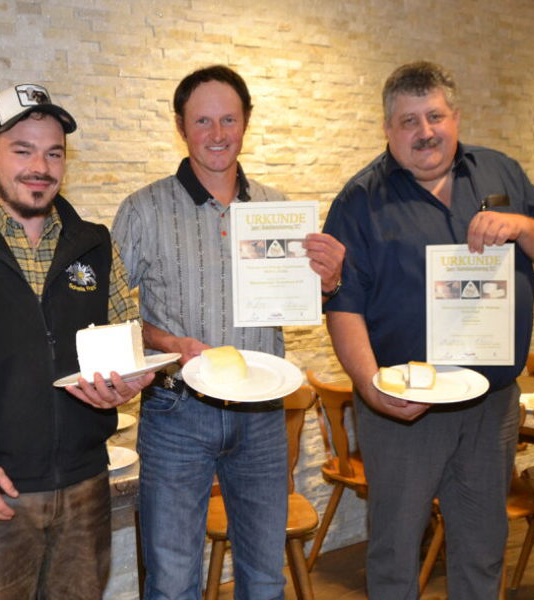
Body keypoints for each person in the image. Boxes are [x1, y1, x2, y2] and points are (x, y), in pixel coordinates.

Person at [322, 61, 534, 599]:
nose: (425, 132)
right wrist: (372, 388)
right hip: (404, 407)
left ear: (455, 117)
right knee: (395, 550)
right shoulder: (359, 200)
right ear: (388, 130)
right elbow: (342, 306)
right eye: (408, 121)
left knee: (484, 544)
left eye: (434, 115)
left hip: (491, 405)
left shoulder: (500, 172)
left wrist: (523, 226)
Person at [0, 83, 152, 599]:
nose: (40, 165)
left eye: (53, 152)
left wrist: (128, 383)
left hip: (86, 488)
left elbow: (128, 341)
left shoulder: (95, 242)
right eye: (22, 150)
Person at [112, 65, 345, 599]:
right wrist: (170, 344)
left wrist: (328, 282)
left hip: (263, 415)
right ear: (180, 126)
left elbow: (301, 299)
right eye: (202, 121)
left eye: (228, 119)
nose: (217, 134)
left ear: (246, 123)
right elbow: (115, 315)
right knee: (173, 582)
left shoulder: (278, 210)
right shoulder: (142, 211)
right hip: (176, 412)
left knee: (264, 576)